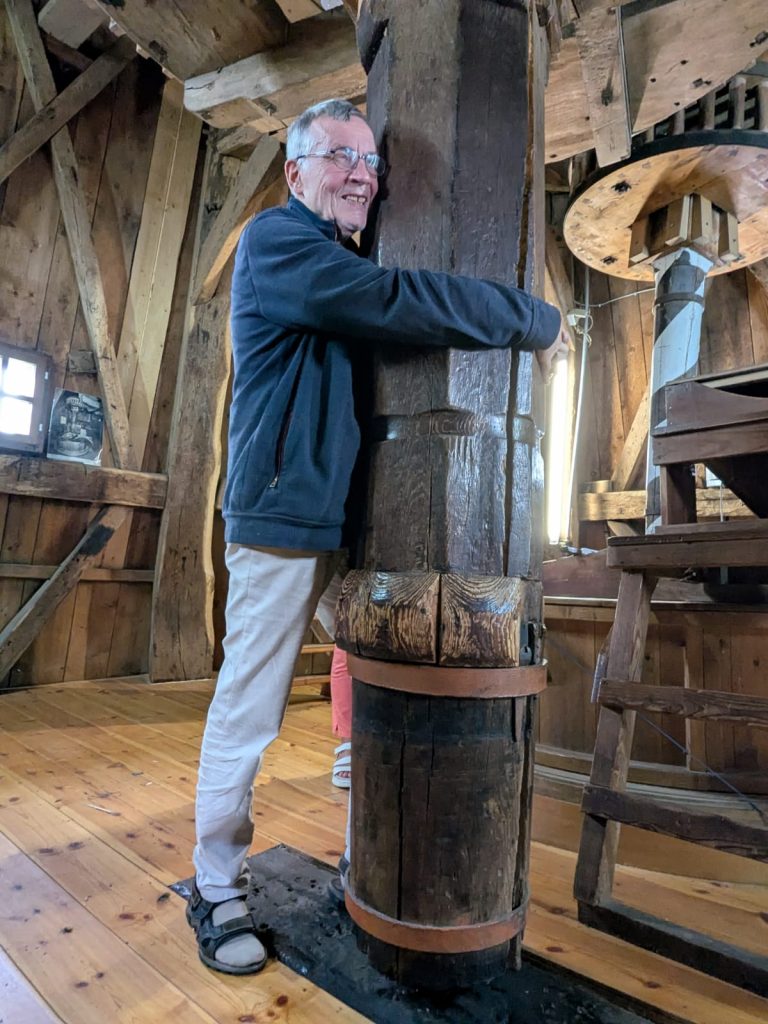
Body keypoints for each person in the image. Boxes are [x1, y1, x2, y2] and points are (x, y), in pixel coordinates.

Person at [186, 98, 570, 976]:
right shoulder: (278, 244)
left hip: (342, 512)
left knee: (360, 689)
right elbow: (393, 299)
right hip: (283, 512)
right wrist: (533, 320)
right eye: (340, 158)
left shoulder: (329, 253)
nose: (362, 173)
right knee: (251, 701)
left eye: (369, 162)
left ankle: (371, 857)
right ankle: (214, 885)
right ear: (295, 173)